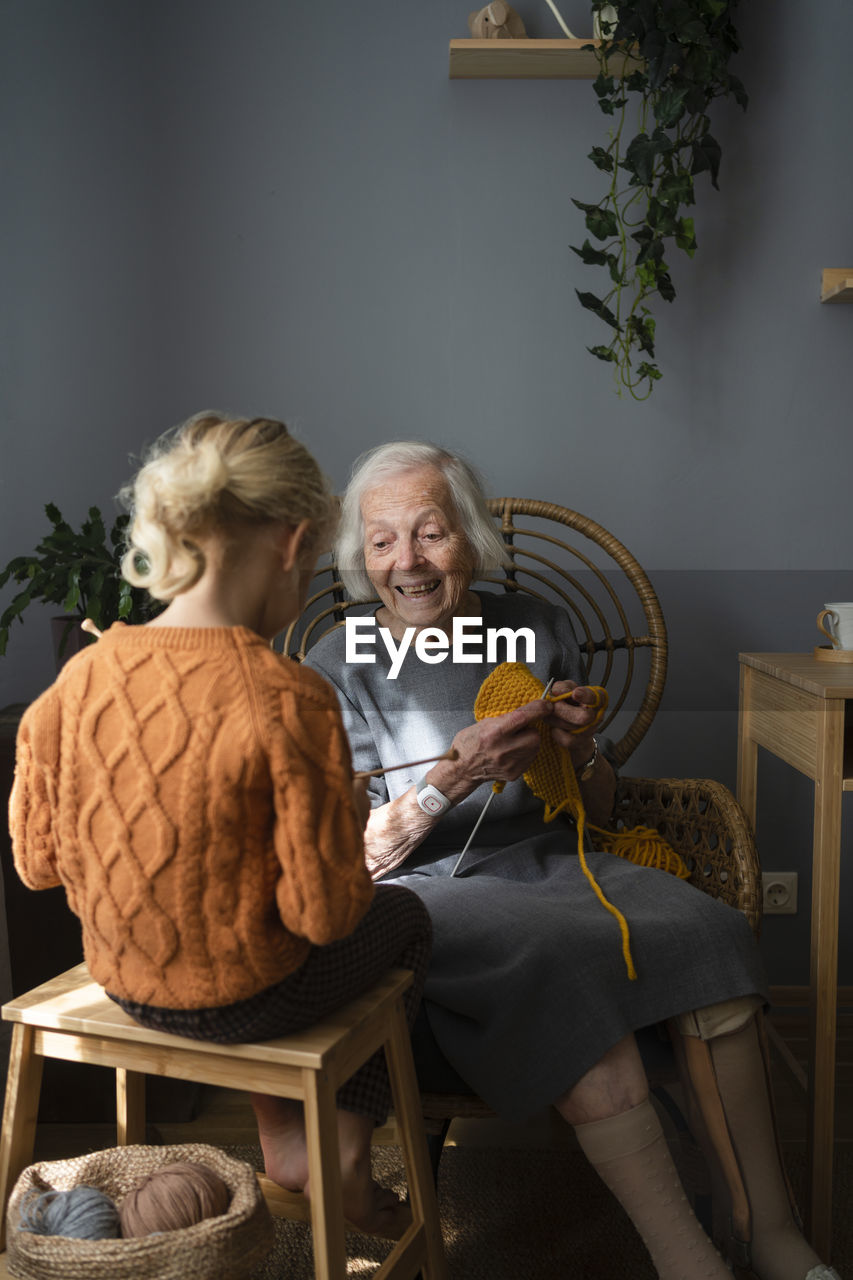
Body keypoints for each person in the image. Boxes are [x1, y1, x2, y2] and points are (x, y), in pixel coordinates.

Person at [305, 440, 840, 1280]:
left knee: (707, 929)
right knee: (559, 963)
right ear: (359, 558)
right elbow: (350, 860)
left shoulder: (534, 628)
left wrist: (581, 749)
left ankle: (770, 1232)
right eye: (381, 542)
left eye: (430, 533)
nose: (405, 561)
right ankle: (687, 1259)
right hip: (428, 890)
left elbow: (595, 812)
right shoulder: (335, 667)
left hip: (560, 862)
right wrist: (451, 780)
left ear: (471, 542)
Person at [9, 414, 432, 1238]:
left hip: (121, 984)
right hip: (245, 998)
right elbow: (325, 916)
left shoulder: (76, 678)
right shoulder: (286, 694)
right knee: (407, 917)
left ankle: (286, 1145)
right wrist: (340, 823)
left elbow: (36, 864)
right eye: (313, 564)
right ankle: (338, 1161)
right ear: (292, 539)